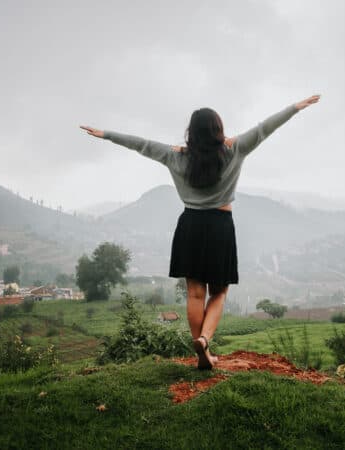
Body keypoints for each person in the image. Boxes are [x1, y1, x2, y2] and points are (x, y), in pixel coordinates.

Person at [80, 94, 321, 369]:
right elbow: (266, 127)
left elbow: (142, 145)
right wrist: (295, 108)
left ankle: (201, 352)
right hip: (220, 227)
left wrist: (106, 134)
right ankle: (205, 339)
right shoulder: (235, 150)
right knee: (219, 292)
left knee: (195, 293)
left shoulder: (174, 156)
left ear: (190, 133)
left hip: (190, 226)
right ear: (218, 130)